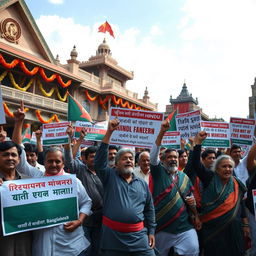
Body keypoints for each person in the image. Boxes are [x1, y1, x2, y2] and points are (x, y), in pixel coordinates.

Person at [12, 101, 92, 256]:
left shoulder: (72, 181)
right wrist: (18, 122)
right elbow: (19, 157)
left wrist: (80, 220)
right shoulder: (37, 176)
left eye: (58, 161)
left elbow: (86, 202)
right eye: (50, 161)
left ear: (63, 163)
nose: (54, 164)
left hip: (70, 244)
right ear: (44, 162)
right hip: (43, 243)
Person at [94, 118, 156, 256]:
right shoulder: (109, 176)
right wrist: (109, 132)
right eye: (124, 158)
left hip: (139, 238)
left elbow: (149, 209)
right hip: (112, 238)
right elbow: (98, 163)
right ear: (116, 164)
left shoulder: (141, 184)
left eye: (131, 158)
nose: (128, 160)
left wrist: (151, 231)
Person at [193, 131, 249, 256]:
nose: (227, 169)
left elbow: (241, 205)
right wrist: (198, 144)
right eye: (224, 166)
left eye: (230, 167)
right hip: (214, 229)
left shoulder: (236, 183)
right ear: (217, 168)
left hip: (234, 228)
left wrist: (245, 224)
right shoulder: (210, 177)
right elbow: (196, 165)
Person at [150, 119, 200, 256]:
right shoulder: (158, 172)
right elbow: (153, 156)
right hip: (162, 226)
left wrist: (195, 210)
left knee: (193, 250)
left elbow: (191, 200)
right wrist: (162, 132)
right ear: (163, 160)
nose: (173, 159)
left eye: (175, 157)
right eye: (169, 157)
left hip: (184, 226)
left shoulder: (184, 178)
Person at [64, 126, 103, 256]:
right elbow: (69, 160)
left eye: (97, 156)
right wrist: (75, 139)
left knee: (98, 249)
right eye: (92, 156)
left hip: (102, 218)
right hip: (84, 218)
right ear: (85, 159)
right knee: (85, 250)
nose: (94, 159)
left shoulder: (106, 172)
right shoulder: (80, 169)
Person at [0, 141, 32, 256]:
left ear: (19, 159)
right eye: (5, 155)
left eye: (13, 155)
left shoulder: (30, 182)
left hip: (25, 241)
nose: (10, 158)